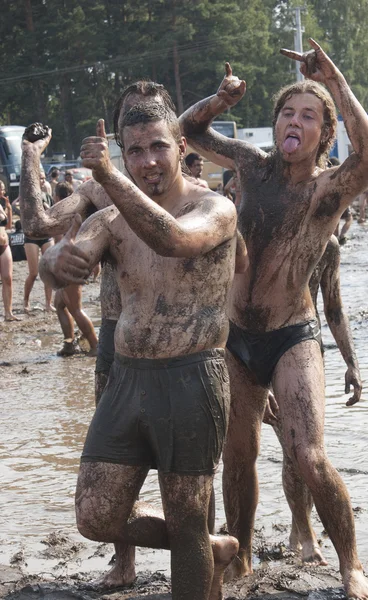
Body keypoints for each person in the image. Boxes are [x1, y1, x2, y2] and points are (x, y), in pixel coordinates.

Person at [19, 81, 246, 590]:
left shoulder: (215, 209)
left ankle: (200, 551)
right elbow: (60, 264)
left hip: (192, 378)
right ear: (125, 152)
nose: (148, 162)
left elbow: (173, 239)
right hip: (127, 379)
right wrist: (57, 262)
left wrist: (108, 176)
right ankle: (214, 550)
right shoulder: (111, 218)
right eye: (136, 151)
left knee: (187, 515)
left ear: (181, 146)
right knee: (94, 515)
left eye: (159, 146)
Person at [179, 39, 368, 600]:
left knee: (309, 457)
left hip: (293, 336)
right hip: (236, 336)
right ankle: (241, 556)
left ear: (324, 133)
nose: (295, 122)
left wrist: (335, 81)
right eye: (288, 113)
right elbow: (189, 133)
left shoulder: (326, 190)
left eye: (309, 117)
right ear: (274, 124)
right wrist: (220, 98)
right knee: (237, 455)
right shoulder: (250, 164)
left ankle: (352, 564)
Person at [264, 235, 362, 562]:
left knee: (302, 448)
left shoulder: (327, 245)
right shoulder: (261, 234)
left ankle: (300, 531)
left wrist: (352, 363)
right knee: (261, 452)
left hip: (305, 351)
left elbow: (333, 307)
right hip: (256, 351)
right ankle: (300, 535)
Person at [52, 181, 98, 357]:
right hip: (75, 261)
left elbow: (59, 242)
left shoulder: (63, 214)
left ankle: (95, 345)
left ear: (57, 197)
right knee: (59, 304)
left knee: (75, 308)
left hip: (69, 264)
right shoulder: (80, 212)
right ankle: (69, 344)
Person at [23, 172, 55, 312]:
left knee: (48, 271)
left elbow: (53, 214)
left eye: (43, 178)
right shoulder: (28, 196)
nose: (42, 180)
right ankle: (25, 301)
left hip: (46, 236)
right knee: (34, 272)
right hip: (32, 237)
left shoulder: (47, 196)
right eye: (39, 178)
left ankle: (48, 304)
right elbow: (24, 213)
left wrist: (48, 209)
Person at [0, 183, 20, 321]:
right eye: (0, 188)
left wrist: (8, 208)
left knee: (8, 278)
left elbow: (8, 225)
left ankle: (8, 313)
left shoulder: (1, 205)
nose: (2, 191)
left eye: (2, 188)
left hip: (4, 245)